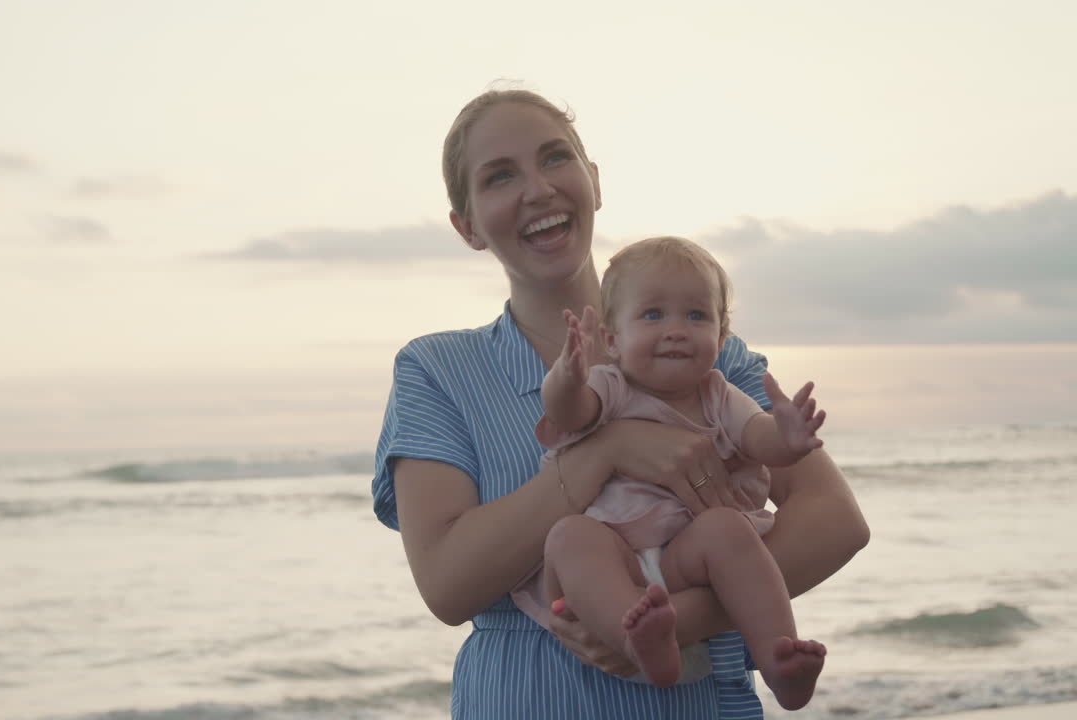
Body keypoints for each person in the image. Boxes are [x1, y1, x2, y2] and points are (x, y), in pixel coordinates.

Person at [372, 87, 869, 719]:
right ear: (467, 225)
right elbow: (447, 584)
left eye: (556, 159)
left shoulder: (702, 348)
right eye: (500, 176)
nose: (538, 189)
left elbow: (835, 520)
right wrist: (604, 452)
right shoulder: (438, 370)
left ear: (594, 182)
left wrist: (678, 620)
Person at [512, 236, 827, 710]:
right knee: (569, 537)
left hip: (685, 560)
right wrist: (567, 376)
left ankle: (780, 660)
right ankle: (637, 637)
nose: (676, 329)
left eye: (696, 316)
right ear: (613, 341)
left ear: (721, 339)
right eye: (653, 315)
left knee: (727, 529)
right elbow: (572, 412)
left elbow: (757, 437)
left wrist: (788, 436)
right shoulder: (611, 386)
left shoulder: (718, 394)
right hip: (614, 557)